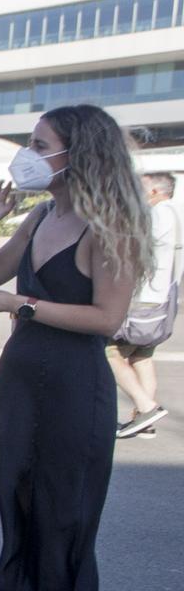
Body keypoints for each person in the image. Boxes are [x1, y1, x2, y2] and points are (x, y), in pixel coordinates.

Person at [0, 105, 153, 591]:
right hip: (21, 383)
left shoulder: (112, 226)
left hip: (75, 389)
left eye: (40, 143)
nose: (28, 151)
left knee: (64, 520)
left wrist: (21, 305)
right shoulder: (44, 213)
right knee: (20, 513)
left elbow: (107, 319)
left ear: (77, 153)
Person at [107, 171, 179, 439]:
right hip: (162, 298)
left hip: (142, 298)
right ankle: (143, 420)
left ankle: (146, 407)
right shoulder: (174, 213)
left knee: (110, 352)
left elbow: (132, 246)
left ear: (155, 192)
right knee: (143, 356)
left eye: (142, 187)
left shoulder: (158, 214)